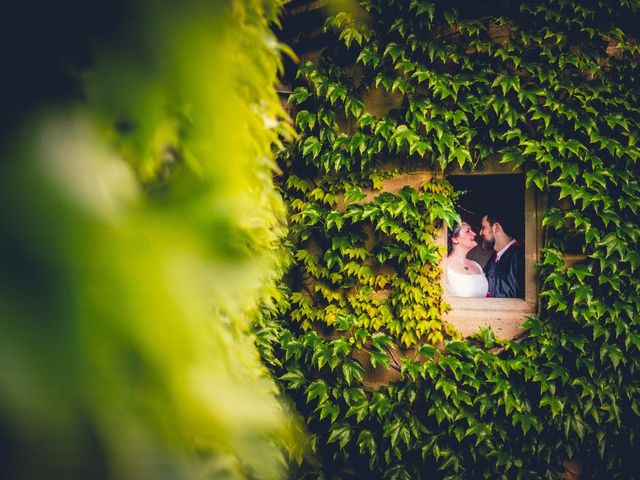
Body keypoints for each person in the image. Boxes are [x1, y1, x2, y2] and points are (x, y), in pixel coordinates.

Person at [479, 212, 524, 298]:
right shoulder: (495, 257)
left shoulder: (519, 257)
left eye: (483, 227)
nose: (480, 233)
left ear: (496, 227)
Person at [446, 222, 488, 297]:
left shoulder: (477, 265)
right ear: (455, 239)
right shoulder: (445, 266)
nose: (474, 234)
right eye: (468, 231)